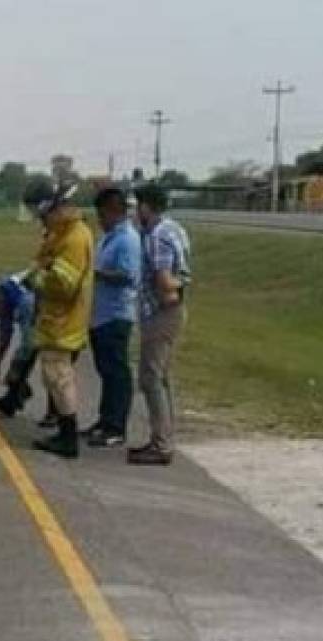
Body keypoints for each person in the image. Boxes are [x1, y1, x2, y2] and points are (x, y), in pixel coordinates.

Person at [20, 180, 94, 459]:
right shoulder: (61, 233)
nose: (42, 221)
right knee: (53, 376)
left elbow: (64, 284)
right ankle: (65, 431)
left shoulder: (74, 238)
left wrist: (33, 280)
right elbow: (43, 260)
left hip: (64, 318)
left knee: (59, 376)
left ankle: (68, 436)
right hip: (55, 316)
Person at [131, 183, 192, 466]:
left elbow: (166, 281)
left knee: (150, 377)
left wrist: (180, 286)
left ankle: (161, 443)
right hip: (171, 311)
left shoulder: (156, 236)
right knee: (161, 377)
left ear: (146, 206)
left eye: (137, 206)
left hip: (161, 312)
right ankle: (164, 437)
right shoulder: (175, 229)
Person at [86, 186, 142, 448]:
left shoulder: (127, 239)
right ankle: (104, 420)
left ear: (113, 211)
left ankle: (115, 426)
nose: (99, 220)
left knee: (116, 372)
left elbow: (128, 276)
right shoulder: (108, 238)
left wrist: (96, 274)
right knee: (105, 370)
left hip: (117, 314)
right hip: (101, 313)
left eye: (101, 214)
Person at [0, 275, 36, 417]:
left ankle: (18, 394)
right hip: (41, 324)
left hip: (57, 321)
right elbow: (4, 336)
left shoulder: (24, 303)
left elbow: (30, 343)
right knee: (18, 366)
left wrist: (15, 370)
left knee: (47, 367)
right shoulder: (5, 297)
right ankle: (13, 399)